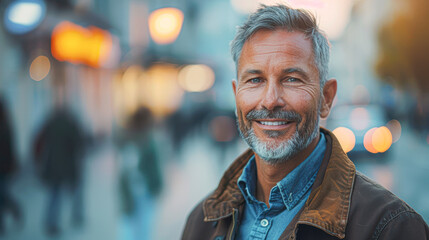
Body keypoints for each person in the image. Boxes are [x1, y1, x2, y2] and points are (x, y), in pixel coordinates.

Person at [182, 4, 429, 240]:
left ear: (326, 98)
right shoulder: (202, 220)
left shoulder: (390, 227)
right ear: (237, 96)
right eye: (255, 80)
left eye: (291, 79)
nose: (270, 101)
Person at [0, 97, 22, 234]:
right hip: (4, 166)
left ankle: (15, 209)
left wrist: (13, 165)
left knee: (3, 195)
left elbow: (11, 147)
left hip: (3, 167)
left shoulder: (6, 125)